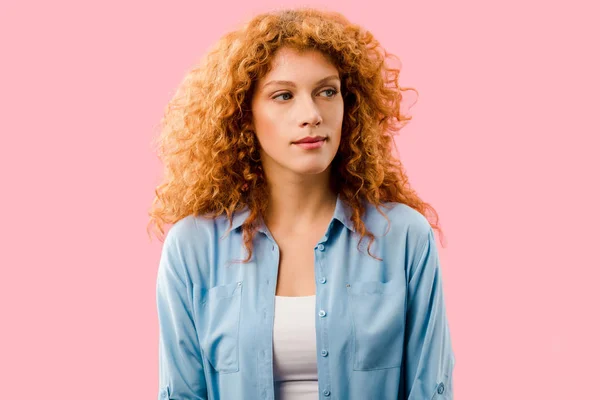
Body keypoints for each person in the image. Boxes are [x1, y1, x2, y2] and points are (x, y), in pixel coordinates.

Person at [147, 7, 455, 400]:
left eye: (327, 91)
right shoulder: (193, 247)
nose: (311, 115)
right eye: (283, 95)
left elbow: (430, 390)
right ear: (243, 115)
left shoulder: (405, 237)